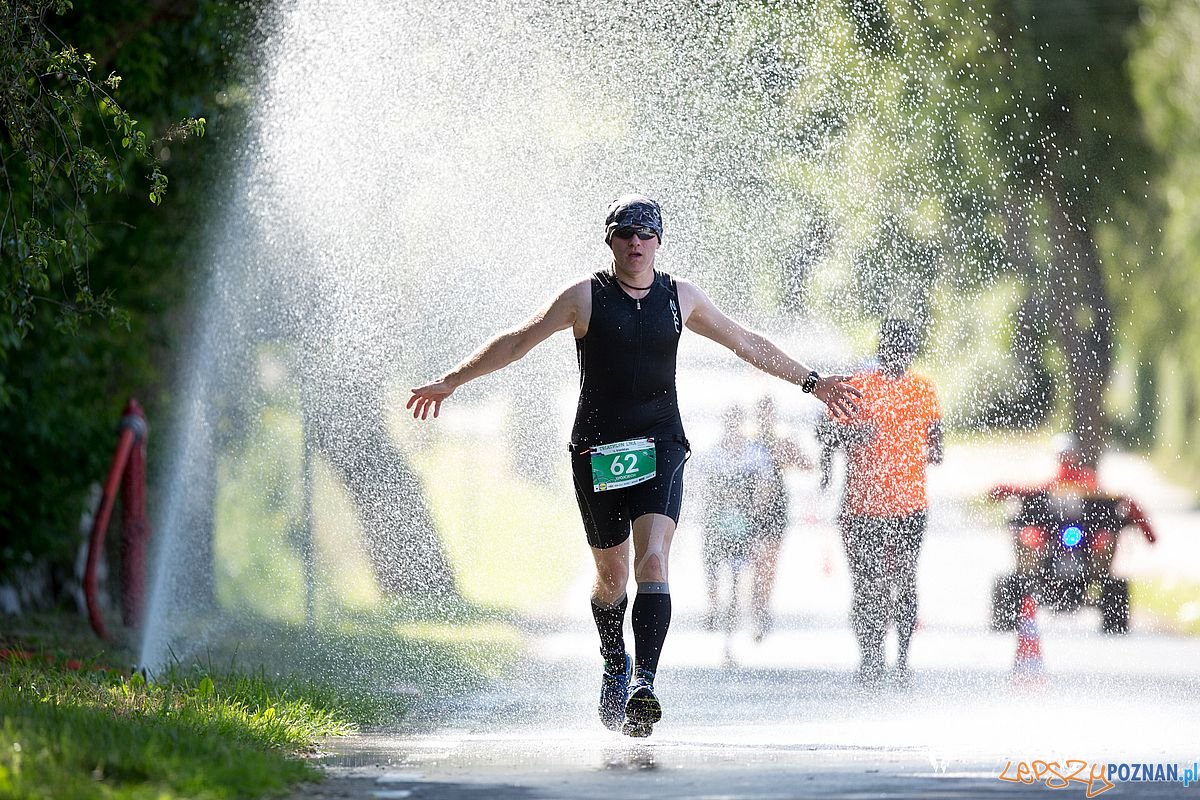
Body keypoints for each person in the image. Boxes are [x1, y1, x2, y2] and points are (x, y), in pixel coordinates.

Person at [408, 194, 860, 736]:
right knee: (611, 577)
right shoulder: (584, 298)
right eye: (626, 234)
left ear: (660, 241)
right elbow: (517, 341)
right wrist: (452, 381)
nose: (636, 243)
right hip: (597, 449)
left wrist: (813, 382)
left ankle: (644, 681)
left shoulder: (680, 297)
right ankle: (613, 660)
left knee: (653, 561)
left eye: (646, 234)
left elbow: (745, 342)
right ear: (611, 240)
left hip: (660, 445)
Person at [817, 318, 941, 684]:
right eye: (894, 348)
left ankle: (893, 659)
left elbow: (937, 447)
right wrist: (851, 440)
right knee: (876, 582)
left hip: (902, 505)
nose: (898, 356)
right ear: (882, 349)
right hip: (867, 507)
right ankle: (876, 657)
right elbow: (826, 434)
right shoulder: (860, 386)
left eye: (903, 350)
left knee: (892, 581)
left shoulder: (922, 389)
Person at [700, 405, 770, 651]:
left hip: (742, 523)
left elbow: (764, 491)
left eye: (735, 422)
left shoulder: (755, 453)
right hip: (717, 523)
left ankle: (730, 632)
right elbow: (702, 490)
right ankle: (712, 608)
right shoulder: (712, 454)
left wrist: (757, 523)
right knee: (712, 568)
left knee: (737, 578)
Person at [745, 395, 812, 641]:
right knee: (754, 561)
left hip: (776, 507)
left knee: (769, 563)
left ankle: (763, 608)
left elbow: (808, 464)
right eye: (761, 411)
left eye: (768, 412)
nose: (764, 416)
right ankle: (755, 609)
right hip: (751, 506)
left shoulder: (782, 437)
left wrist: (789, 455)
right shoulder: (748, 437)